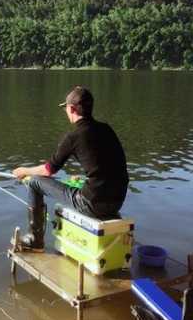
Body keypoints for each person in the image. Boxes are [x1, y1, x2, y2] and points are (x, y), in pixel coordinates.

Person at [12, 86, 129, 252]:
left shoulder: (73, 136)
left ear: (72, 109)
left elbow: (48, 170)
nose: (65, 112)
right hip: (117, 202)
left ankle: (35, 240)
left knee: (34, 183)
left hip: (92, 204)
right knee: (74, 184)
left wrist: (24, 171)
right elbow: (105, 166)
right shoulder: (106, 129)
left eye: (66, 108)